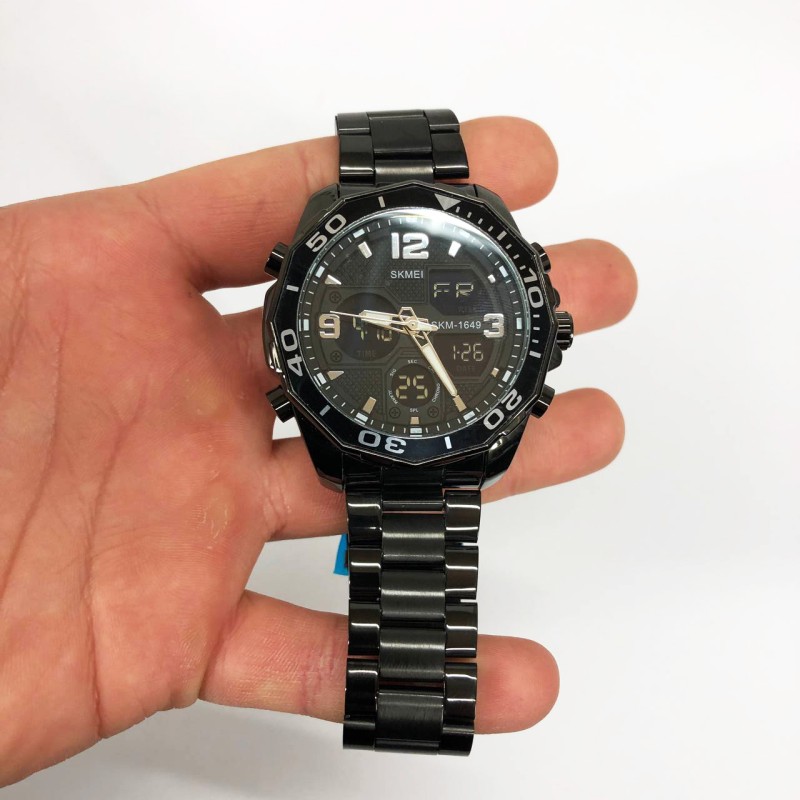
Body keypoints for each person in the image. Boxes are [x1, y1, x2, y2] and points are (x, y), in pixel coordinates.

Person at [0, 116, 636, 785]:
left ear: (546, 330)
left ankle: (404, 713)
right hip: (382, 435)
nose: (412, 325)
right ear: (287, 337)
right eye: (401, 321)